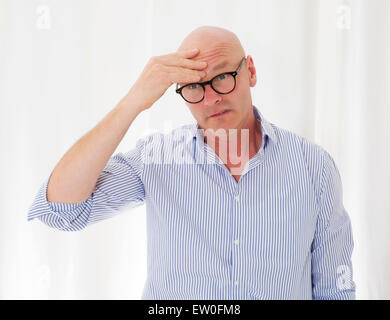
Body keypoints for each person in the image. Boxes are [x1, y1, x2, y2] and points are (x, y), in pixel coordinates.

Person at [27, 26, 356, 300]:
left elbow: (334, 289)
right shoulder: (157, 158)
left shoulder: (313, 167)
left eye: (223, 77)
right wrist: (132, 103)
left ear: (250, 71)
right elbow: (62, 209)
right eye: (194, 87)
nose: (211, 98)